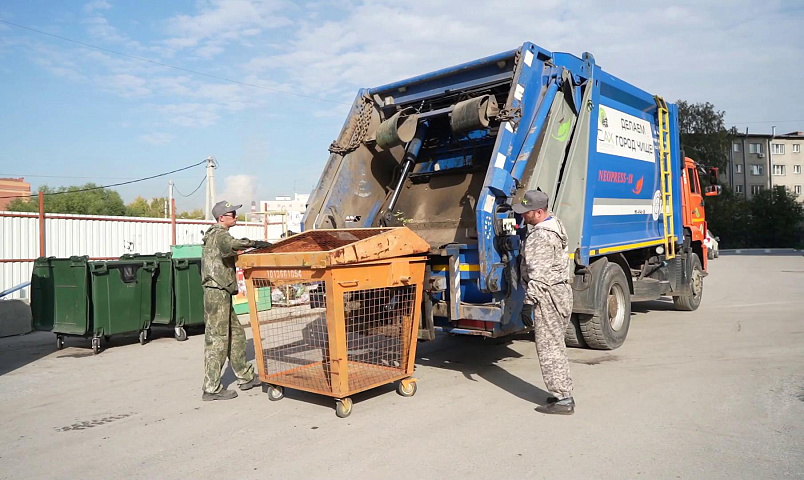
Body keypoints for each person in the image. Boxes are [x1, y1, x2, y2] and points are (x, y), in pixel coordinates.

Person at [201, 200, 271, 401]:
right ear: (222, 218)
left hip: (221, 292)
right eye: (232, 214)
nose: (236, 216)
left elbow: (228, 251)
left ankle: (246, 376)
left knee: (237, 336)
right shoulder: (220, 234)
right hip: (216, 292)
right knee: (217, 339)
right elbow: (231, 245)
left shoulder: (215, 235)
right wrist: (254, 243)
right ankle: (211, 388)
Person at [513, 190, 575, 415]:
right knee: (556, 344)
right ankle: (562, 392)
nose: (523, 216)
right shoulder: (555, 223)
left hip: (548, 295)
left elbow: (539, 275)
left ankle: (563, 399)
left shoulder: (541, 236)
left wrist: (529, 303)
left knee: (549, 347)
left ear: (539, 212)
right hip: (560, 293)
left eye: (526, 213)